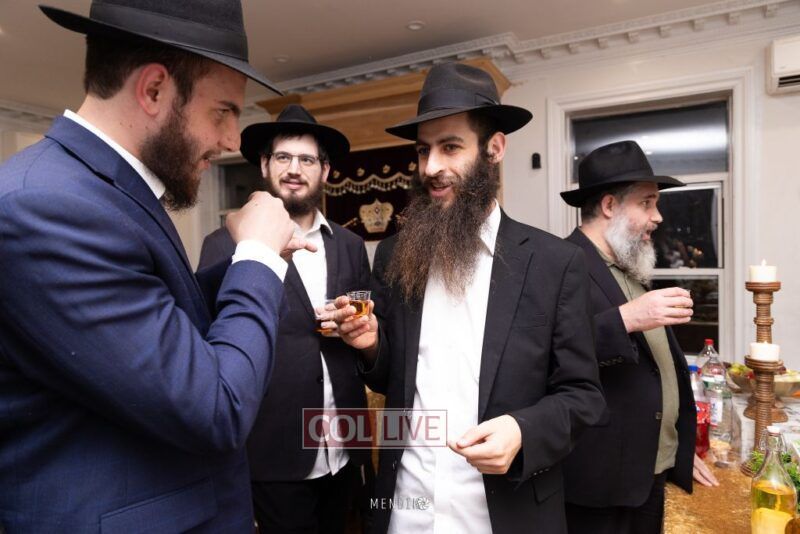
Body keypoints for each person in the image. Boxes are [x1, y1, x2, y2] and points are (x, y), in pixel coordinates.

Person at [0, 1, 311, 531]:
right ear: (154, 90)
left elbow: (154, 324)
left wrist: (249, 260)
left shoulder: (104, 189)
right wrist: (257, 257)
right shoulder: (45, 207)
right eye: (223, 112)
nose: (231, 140)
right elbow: (217, 408)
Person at [333, 62, 605, 534]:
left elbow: (583, 396)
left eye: (451, 147)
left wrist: (522, 430)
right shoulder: (395, 253)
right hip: (406, 511)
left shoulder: (554, 263)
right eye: (423, 150)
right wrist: (371, 344)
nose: (431, 168)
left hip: (505, 515)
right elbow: (390, 376)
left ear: (494, 149)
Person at [198, 104, 373, 533]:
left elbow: (368, 322)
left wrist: (356, 326)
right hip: (273, 451)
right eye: (283, 157)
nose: (294, 169)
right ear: (264, 165)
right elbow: (211, 343)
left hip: (344, 444)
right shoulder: (223, 245)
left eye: (307, 160)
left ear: (325, 171)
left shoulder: (350, 245)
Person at [560, 140, 718, 534]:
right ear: (609, 206)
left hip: (650, 470)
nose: (658, 216)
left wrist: (676, 449)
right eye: (647, 203)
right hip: (600, 483)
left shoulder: (627, 264)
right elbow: (547, 355)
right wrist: (625, 319)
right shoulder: (558, 264)